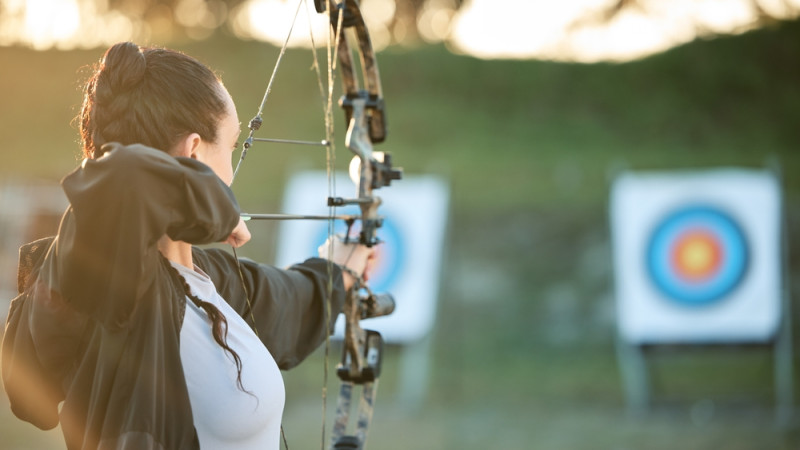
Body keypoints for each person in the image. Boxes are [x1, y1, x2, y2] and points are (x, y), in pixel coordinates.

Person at [1, 41, 374, 450]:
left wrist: (339, 267)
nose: (232, 170)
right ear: (194, 151)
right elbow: (120, 176)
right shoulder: (106, 276)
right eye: (231, 147)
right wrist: (212, 203)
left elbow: (288, 300)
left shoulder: (208, 280)